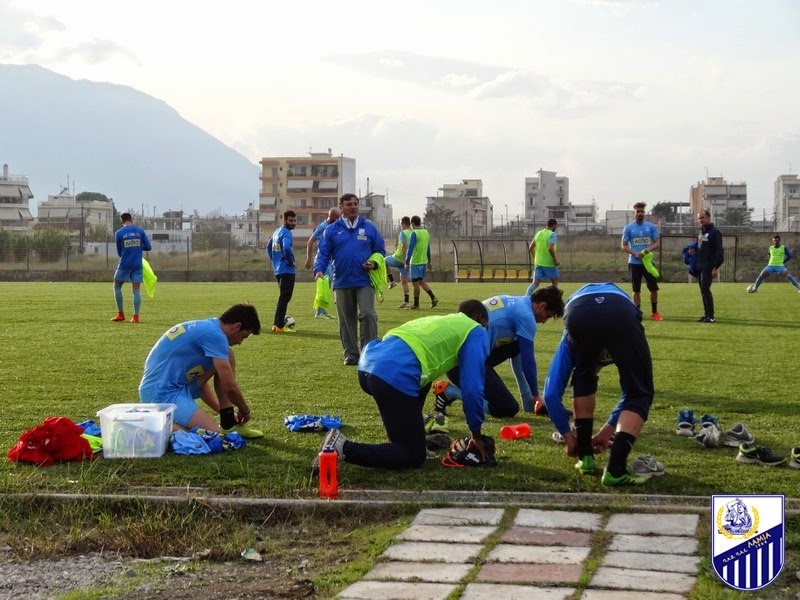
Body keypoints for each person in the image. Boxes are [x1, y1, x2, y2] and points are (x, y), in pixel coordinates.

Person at [315, 300, 492, 470]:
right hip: (392, 373)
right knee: (413, 456)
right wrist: (476, 435)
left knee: (420, 387)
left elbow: (422, 375)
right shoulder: (475, 330)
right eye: (486, 326)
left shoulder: (442, 321)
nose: (486, 331)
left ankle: (404, 440)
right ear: (479, 317)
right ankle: (342, 447)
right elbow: (472, 389)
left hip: (370, 363)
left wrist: (414, 431)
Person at [542, 283, 655, 486]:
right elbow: (633, 392)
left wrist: (571, 437)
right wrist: (606, 430)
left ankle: (585, 457)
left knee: (583, 380)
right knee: (639, 391)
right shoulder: (622, 336)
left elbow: (550, 394)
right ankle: (615, 469)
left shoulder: (571, 339)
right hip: (619, 309)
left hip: (578, 312)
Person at [434, 286, 565, 417]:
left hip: (463, 357)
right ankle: (448, 392)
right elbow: (528, 361)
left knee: (517, 344)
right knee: (506, 408)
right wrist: (536, 394)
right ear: (542, 305)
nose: (544, 321)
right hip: (460, 365)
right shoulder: (526, 316)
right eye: (547, 316)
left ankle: (528, 403)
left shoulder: (516, 301)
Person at [138, 303, 264, 438]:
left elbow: (200, 382)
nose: (240, 342)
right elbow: (230, 387)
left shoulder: (211, 328)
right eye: (243, 336)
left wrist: (224, 413)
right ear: (237, 326)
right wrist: (245, 411)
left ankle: (228, 424)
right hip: (160, 395)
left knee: (228, 355)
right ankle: (152, 423)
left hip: (174, 387)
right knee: (214, 436)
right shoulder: (215, 335)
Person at [313, 193, 386, 365]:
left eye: (355, 204)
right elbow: (323, 253)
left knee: (368, 314)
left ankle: (369, 353)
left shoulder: (369, 227)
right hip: (341, 281)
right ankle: (351, 355)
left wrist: (374, 262)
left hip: (365, 280)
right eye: (349, 204)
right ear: (341, 207)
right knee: (346, 320)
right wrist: (319, 270)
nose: (353, 207)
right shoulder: (331, 230)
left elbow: (380, 251)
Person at [620, 202, 662, 321]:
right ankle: (637, 313)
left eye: (642, 211)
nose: (640, 213)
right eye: (637, 211)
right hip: (634, 263)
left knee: (654, 289)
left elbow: (657, 243)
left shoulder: (650, 227)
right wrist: (635, 253)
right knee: (636, 290)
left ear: (644, 213)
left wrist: (647, 250)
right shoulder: (628, 228)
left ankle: (654, 312)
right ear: (633, 213)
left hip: (648, 264)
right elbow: (623, 246)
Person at [111, 212, 152, 323]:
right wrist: (137, 247)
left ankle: (120, 314)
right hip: (137, 264)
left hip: (125, 264)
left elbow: (119, 253)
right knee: (136, 290)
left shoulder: (119, 233)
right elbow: (148, 247)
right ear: (131, 219)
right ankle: (136, 317)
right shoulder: (140, 231)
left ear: (122, 220)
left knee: (117, 286)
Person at [304, 207, 341, 318]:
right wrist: (308, 259)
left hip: (331, 261)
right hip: (323, 261)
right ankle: (319, 312)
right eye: (337, 218)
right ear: (332, 218)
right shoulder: (323, 227)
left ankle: (323, 311)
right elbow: (310, 242)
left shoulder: (334, 227)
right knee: (323, 286)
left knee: (327, 286)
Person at [688, 209, 724, 323]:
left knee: (705, 289)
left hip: (709, 266)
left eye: (702, 217)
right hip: (700, 265)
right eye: (699, 218)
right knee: (703, 290)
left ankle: (711, 316)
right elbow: (701, 247)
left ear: (708, 217)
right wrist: (694, 251)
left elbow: (719, 251)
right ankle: (706, 315)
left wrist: (715, 267)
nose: (700, 220)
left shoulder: (715, 232)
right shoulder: (701, 232)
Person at [268, 210, 297, 333]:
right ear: (285, 220)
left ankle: (276, 325)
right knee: (284, 298)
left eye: (294, 221)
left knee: (283, 298)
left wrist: (275, 260)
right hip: (287, 270)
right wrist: (290, 261)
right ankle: (279, 325)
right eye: (290, 221)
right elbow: (286, 248)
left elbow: (268, 247)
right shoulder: (286, 233)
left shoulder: (277, 231)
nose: (293, 223)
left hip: (279, 270)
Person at [405, 215, 438, 309]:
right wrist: (429, 261)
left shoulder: (414, 233)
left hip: (415, 262)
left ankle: (416, 304)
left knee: (415, 284)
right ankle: (433, 298)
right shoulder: (426, 232)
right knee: (421, 281)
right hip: (423, 261)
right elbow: (428, 248)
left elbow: (410, 249)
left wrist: (407, 262)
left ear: (412, 223)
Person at [526, 218, 559, 295]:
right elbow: (550, 248)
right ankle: (555, 300)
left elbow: (530, 248)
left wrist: (535, 257)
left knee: (535, 283)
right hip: (549, 263)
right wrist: (555, 260)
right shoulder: (552, 234)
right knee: (555, 283)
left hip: (538, 263)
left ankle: (525, 298)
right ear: (554, 225)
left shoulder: (538, 233)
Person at [385, 216, 413, 308]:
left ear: (403, 224)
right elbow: (408, 244)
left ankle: (392, 281)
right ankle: (406, 302)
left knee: (383, 261)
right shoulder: (413, 232)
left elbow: (404, 247)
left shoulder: (403, 233)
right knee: (404, 281)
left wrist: (404, 261)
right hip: (408, 260)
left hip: (398, 258)